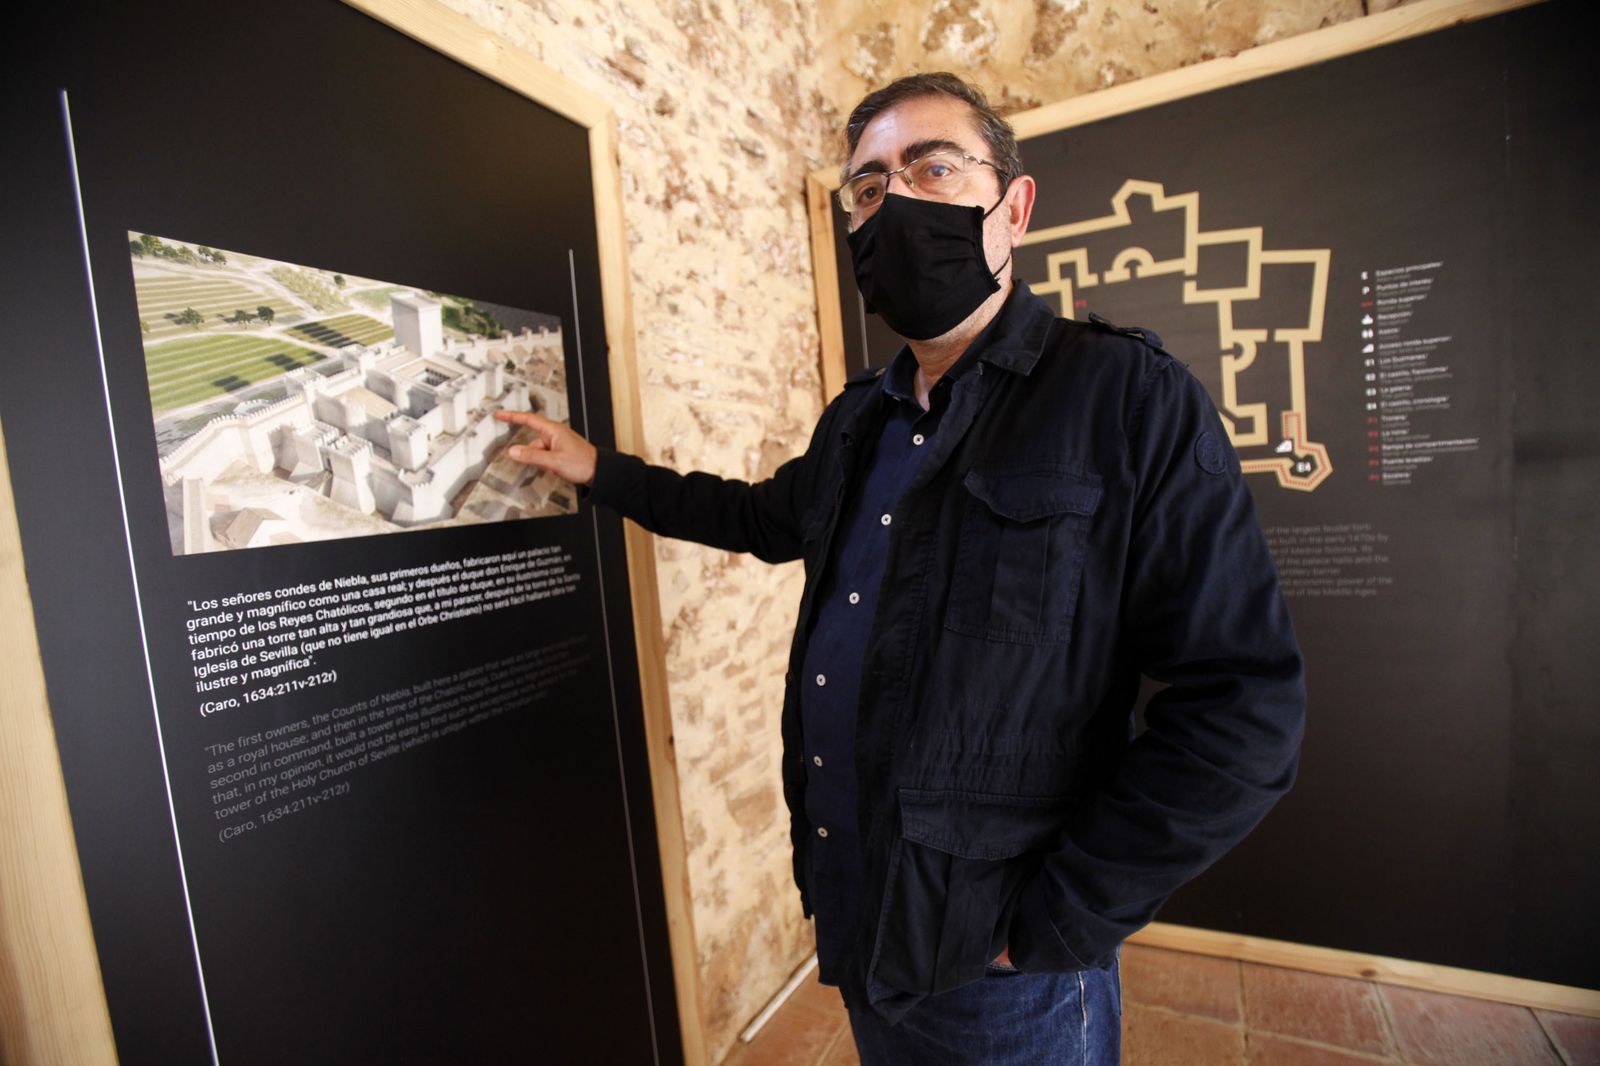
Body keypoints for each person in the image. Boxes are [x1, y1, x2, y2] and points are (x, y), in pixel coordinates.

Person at [497, 71, 1305, 1066]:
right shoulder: (858, 420)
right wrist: (596, 469)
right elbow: (757, 514)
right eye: (870, 188)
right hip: (861, 911)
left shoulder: (1123, 399)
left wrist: (1060, 918)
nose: (896, 203)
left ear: (1012, 206)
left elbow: (1243, 709)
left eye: (933, 168)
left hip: (1002, 962)